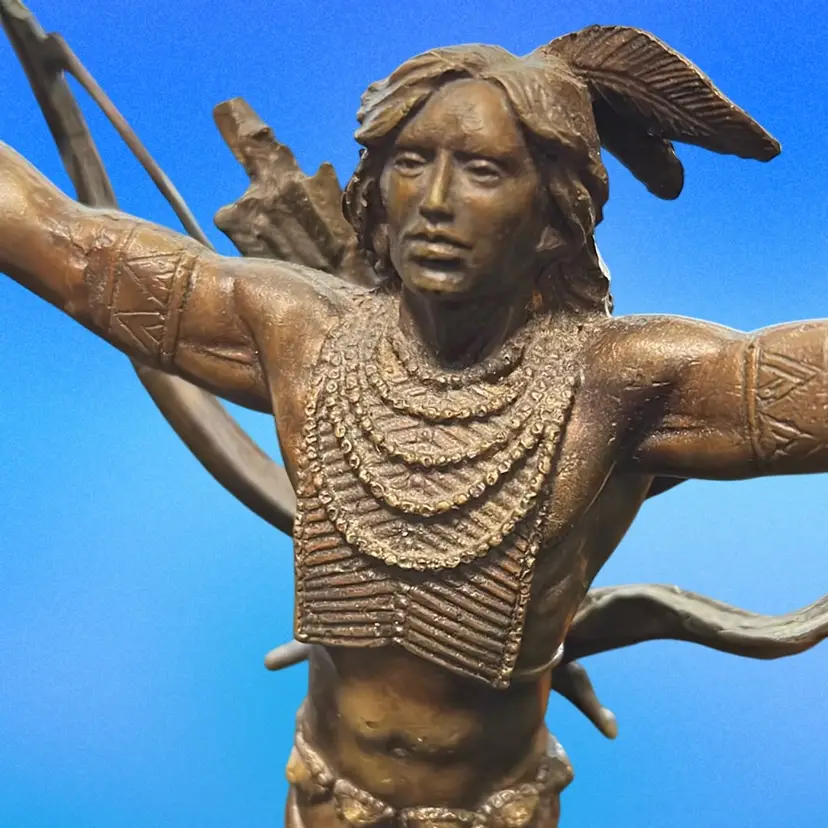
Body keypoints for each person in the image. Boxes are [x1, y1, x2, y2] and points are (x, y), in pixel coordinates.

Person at [1, 32, 825, 828]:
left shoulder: (622, 383)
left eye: (482, 170)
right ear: (377, 192)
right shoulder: (298, 334)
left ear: (553, 210)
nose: (435, 203)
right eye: (410, 162)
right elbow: (56, 241)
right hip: (324, 798)